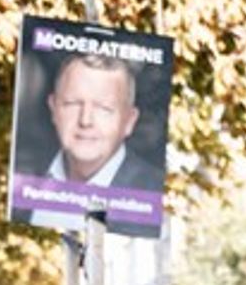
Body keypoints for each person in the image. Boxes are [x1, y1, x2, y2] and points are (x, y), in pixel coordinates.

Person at [41, 54, 164, 192]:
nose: (85, 121)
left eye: (104, 108)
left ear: (129, 121)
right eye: (73, 103)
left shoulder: (156, 193)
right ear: (53, 108)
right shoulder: (22, 179)